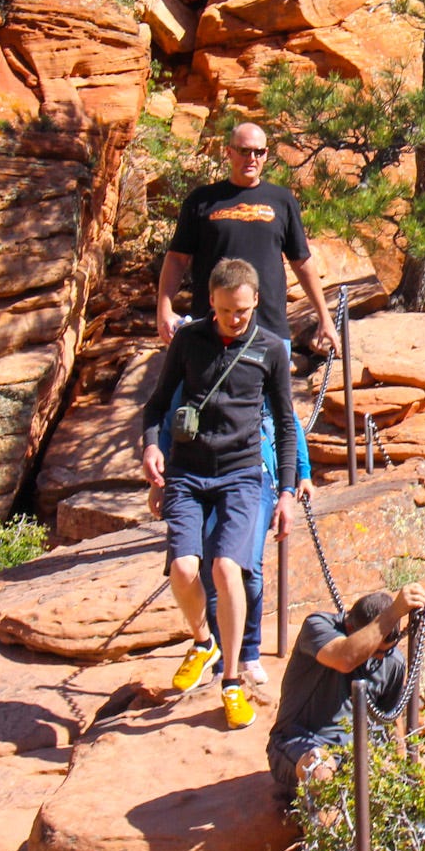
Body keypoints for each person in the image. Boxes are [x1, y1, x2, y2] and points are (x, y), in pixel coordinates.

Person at [158, 121, 334, 690]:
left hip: (271, 332)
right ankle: (171, 484)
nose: (252, 159)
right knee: (187, 405)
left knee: (273, 417)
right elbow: (177, 258)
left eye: (261, 152)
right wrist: (164, 305)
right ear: (227, 152)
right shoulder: (203, 201)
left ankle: (290, 482)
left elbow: (303, 263)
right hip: (208, 331)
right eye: (244, 151)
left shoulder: (281, 201)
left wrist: (325, 316)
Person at [141, 258, 300, 730]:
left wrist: (287, 490)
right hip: (188, 474)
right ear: (211, 301)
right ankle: (202, 638)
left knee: (228, 567)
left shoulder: (269, 349)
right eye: (229, 310)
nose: (236, 318)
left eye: (245, 311)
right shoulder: (189, 342)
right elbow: (156, 405)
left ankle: (231, 681)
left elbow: (287, 424)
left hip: (242, 474)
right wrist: (152, 450)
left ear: (256, 304)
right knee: (184, 569)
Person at [267, 584, 425, 792]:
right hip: (301, 744)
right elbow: (345, 658)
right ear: (352, 629)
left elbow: (391, 719)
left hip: (359, 753)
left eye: (385, 653)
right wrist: (394, 611)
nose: (378, 660)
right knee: (320, 769)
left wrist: (400, 771)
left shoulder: (393, 662)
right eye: (374, 652)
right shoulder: (319, 627)